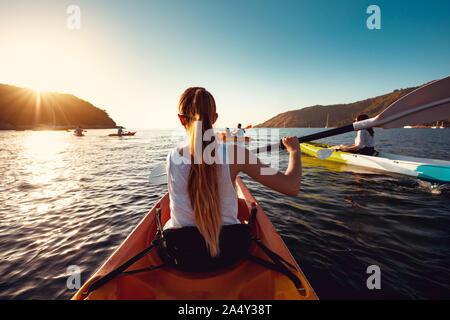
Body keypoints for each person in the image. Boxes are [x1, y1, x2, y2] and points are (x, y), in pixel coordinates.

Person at [165, 87, 301, 258]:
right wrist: (294, 151)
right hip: (229, 252)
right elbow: (291, 186)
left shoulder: (172, 157)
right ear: (214, 118)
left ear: (181, 119)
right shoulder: (236, 154)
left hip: (182, 254)